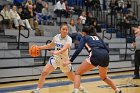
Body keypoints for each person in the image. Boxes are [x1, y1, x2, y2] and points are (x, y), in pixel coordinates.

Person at [31, 23, 88, 93]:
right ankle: (38, 90)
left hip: (65, 61)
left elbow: (65, 48)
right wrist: (40, 47)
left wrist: (57, 52)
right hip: (56, 59)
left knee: (72, 78)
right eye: (63, 29)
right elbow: (50, 45)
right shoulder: (56, 37)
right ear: (60, 30)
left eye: (66, 29)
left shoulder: (69, 39)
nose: (65, 31)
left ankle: (80, 87)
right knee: (44, 72)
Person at [64, 26, 123, 93]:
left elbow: (78, 49)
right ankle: (117, 90)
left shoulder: (84, 37)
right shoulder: (97, 37)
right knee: (104, 77)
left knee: (78, 73)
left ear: (84, 33)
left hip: (95, 54)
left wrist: (70, 60)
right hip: (105, 55)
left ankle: (75, 91)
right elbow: (107, 49)